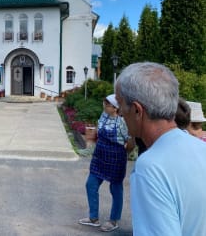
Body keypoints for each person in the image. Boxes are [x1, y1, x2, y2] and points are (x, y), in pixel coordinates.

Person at [115, 62, 206, 236]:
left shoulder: (150, 168)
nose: (119, 113)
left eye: (120, 106)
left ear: (136, 110)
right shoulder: (201, 149)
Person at [79, 94, 129, 232]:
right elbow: (98, 131)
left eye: (107, 105)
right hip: (100, 157)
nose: (104, 106)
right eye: (104, 104)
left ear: (115, 108)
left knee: (115, 189)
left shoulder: (122, 122)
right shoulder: (103, 116)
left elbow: (129, 140)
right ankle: (93, 218)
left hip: (116, 159)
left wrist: (126, 154)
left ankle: (113, 220)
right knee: (91, 184)